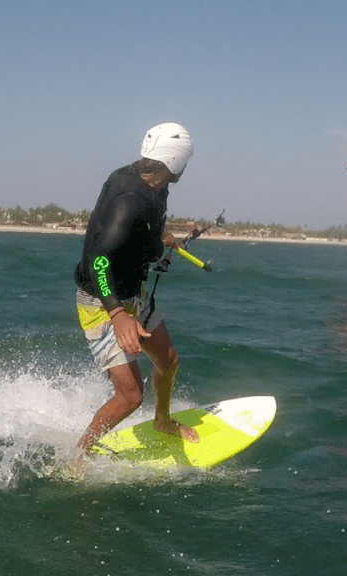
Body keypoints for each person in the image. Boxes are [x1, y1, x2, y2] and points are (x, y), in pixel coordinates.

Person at [72, 122, 200, 468]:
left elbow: (149, 223)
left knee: (168, 361)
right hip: (102, 301)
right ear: (175, 162)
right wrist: (117, 314)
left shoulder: (155, 184)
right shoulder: (128, 199)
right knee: (130, 396)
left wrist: (161, 236)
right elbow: (99, 260)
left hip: (132, 292)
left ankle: (162, 420)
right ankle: (77, 454)